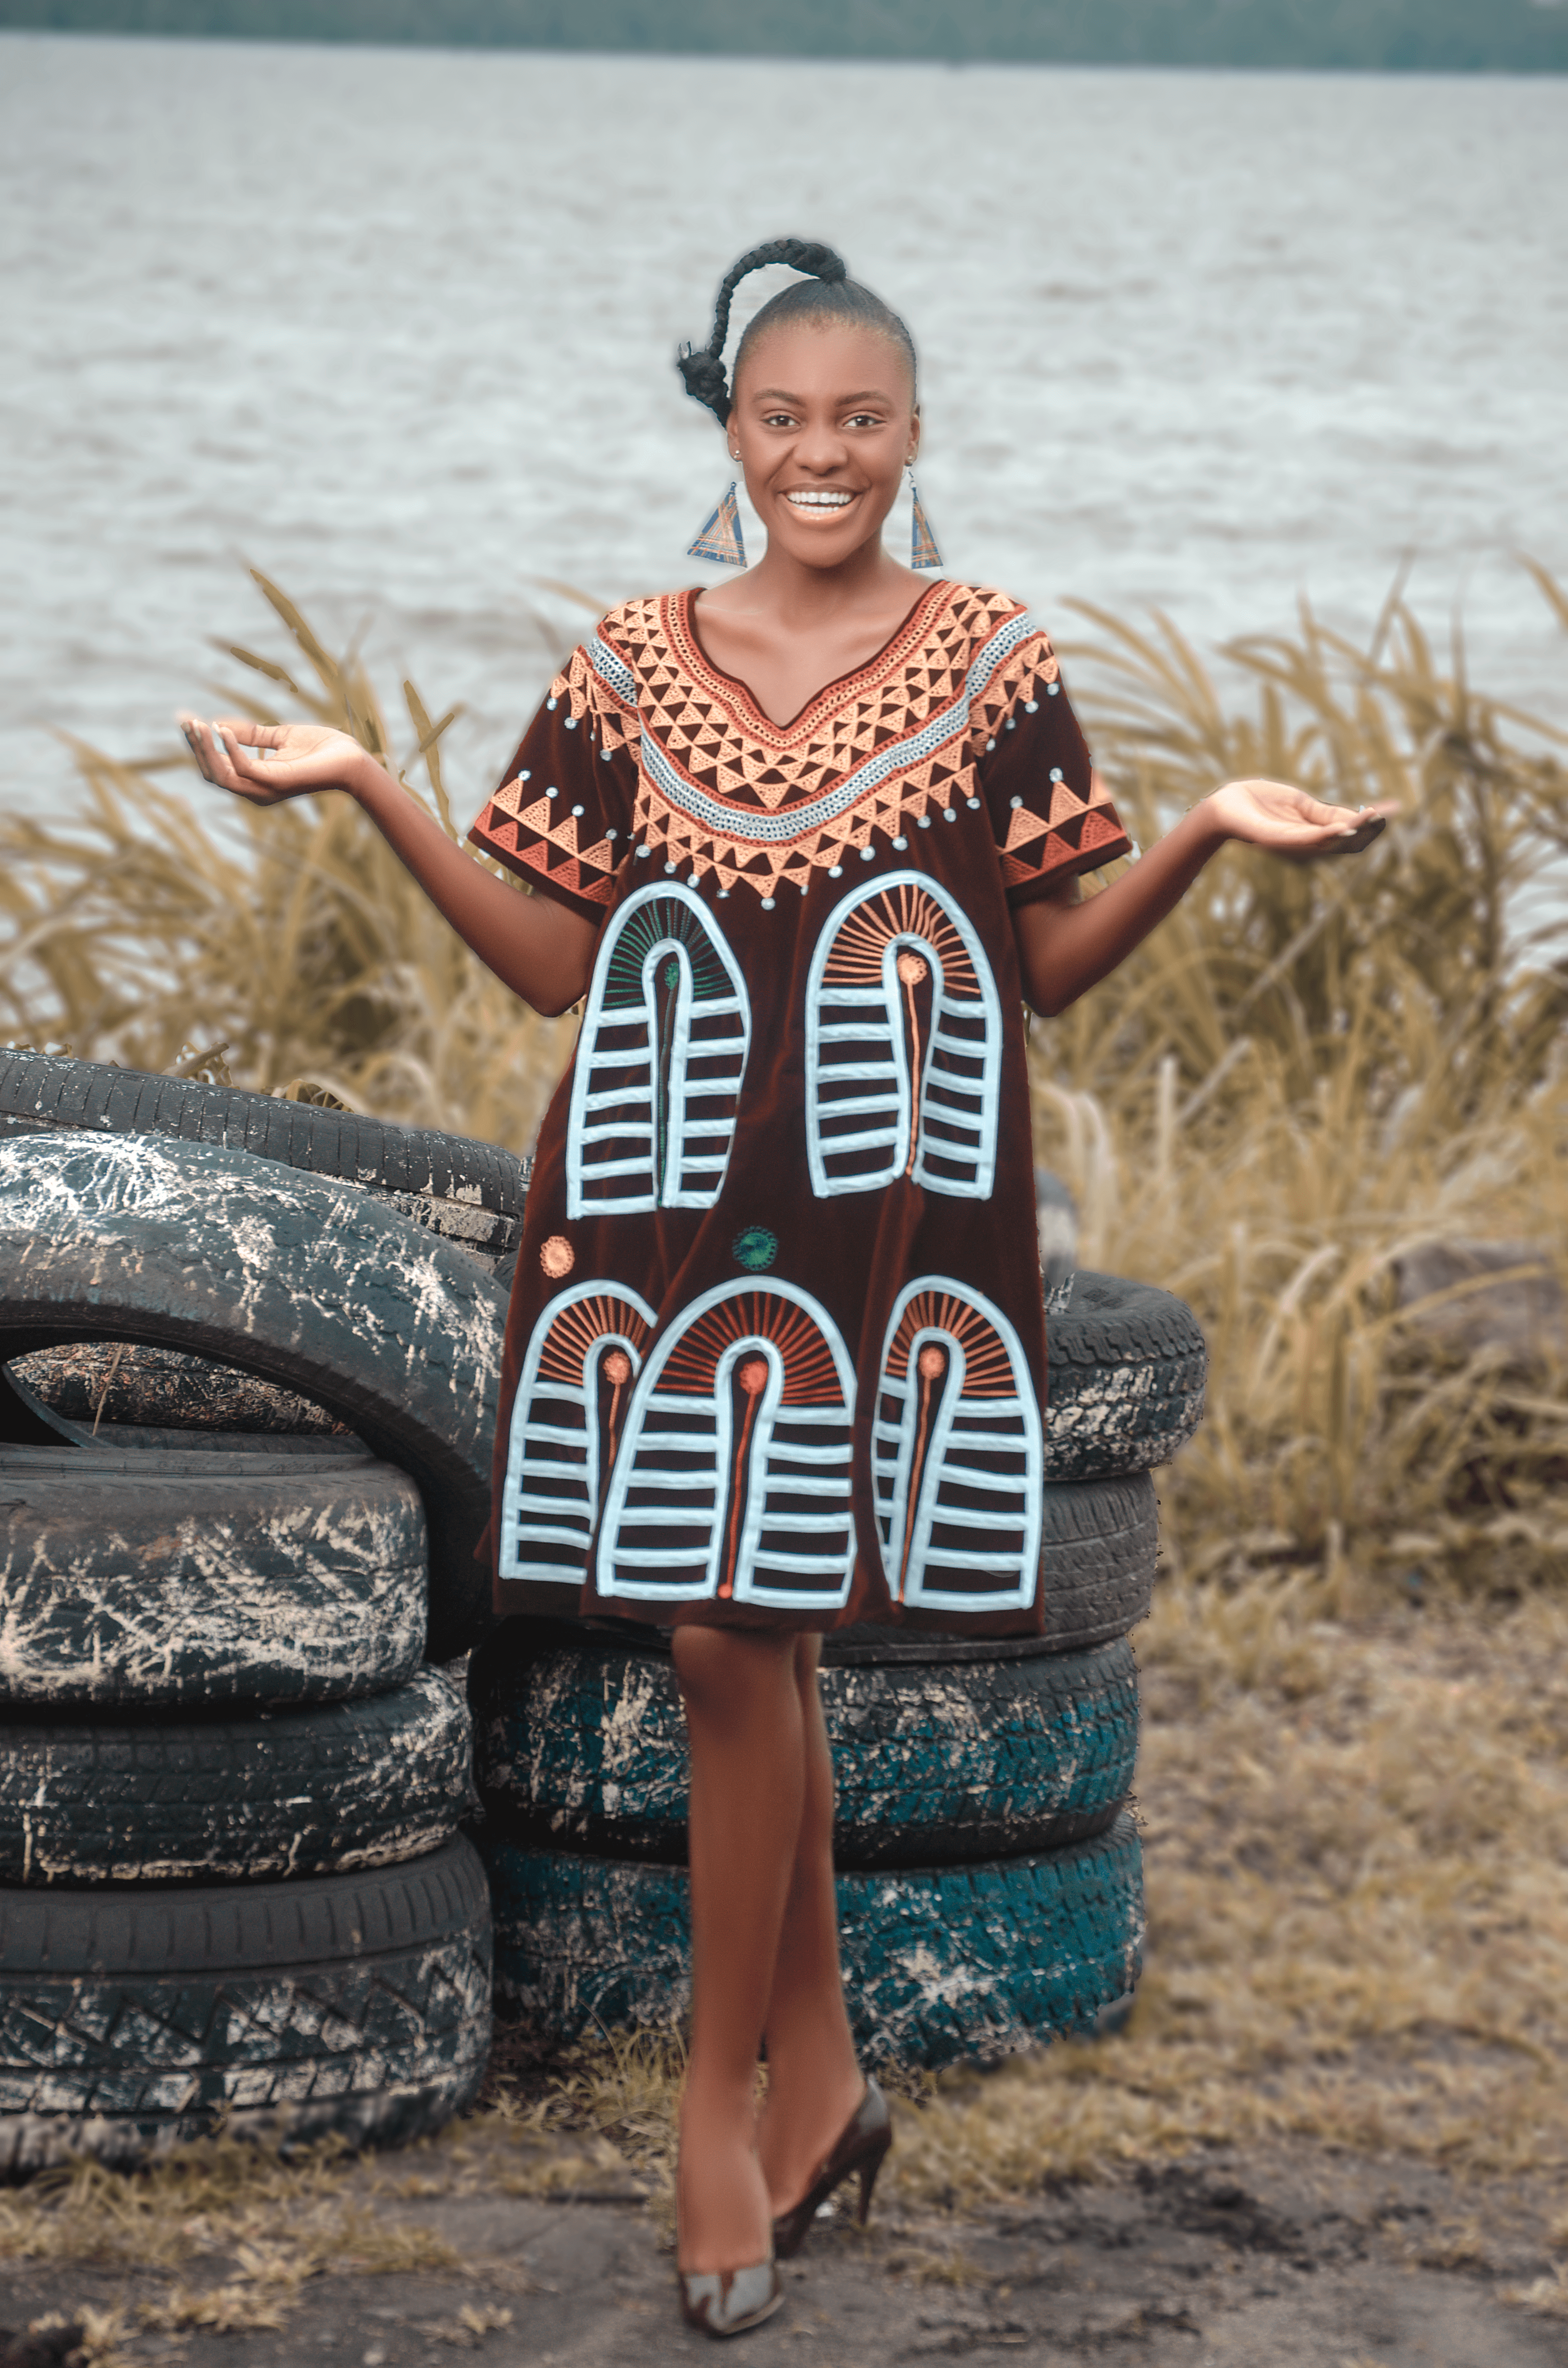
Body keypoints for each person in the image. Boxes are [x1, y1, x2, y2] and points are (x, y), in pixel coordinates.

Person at [180, 235, 1388, 2340]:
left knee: (744, 1632)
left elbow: (1045, 972)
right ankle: (810, 2081)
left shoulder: (995, 659)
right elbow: (551, 963)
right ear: (728, 431)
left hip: (878, 1224)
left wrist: (1200, 830)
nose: (819, 453)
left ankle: (722, 2116)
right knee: (736, 1637)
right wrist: (367, 782)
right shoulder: (630, 663)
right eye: (780, 417)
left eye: (860, 419)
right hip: (652, 1202)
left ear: (915, 436)